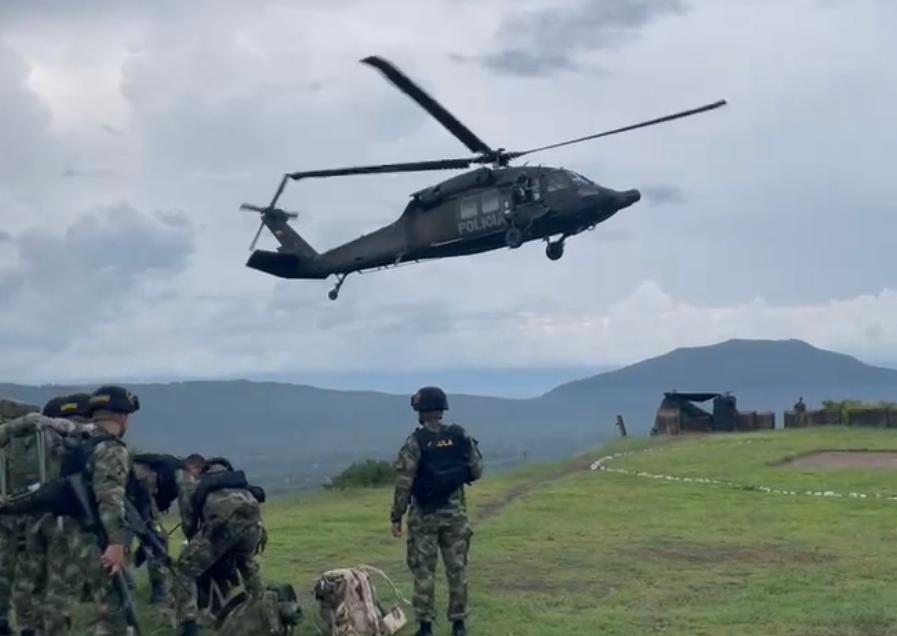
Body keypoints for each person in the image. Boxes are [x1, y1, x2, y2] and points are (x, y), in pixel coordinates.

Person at [391, 386, 482, 636]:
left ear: (420, 412)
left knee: (423, 571)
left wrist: (396, 516)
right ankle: (459, 625)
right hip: (456, 516)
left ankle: (426, 627)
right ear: (442, 410)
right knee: (457, 570)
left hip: (424, 517)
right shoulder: (460, 435)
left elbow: (404, 483)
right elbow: (476, 470)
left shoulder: (415, 442)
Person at [173, 454, 266, 636]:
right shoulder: (238, 482)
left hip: (221, 528)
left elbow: (189, 523)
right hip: (254, 528)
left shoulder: (199, 483)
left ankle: (189, 626)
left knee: (185, 569)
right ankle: (263, 613)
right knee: (246, 564)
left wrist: (196, 543)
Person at [75, 385, 141, 636]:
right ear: (123, 417)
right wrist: (116, 543)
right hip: (99, 541)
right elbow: (109, 496)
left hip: (72, 540)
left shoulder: (81, 444)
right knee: (117, 612)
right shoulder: (111, 449)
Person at [0, 398, 41, 636]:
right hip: (12, 513)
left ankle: (27, 625)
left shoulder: (29, 443)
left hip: (23, 511)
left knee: (26, 571)